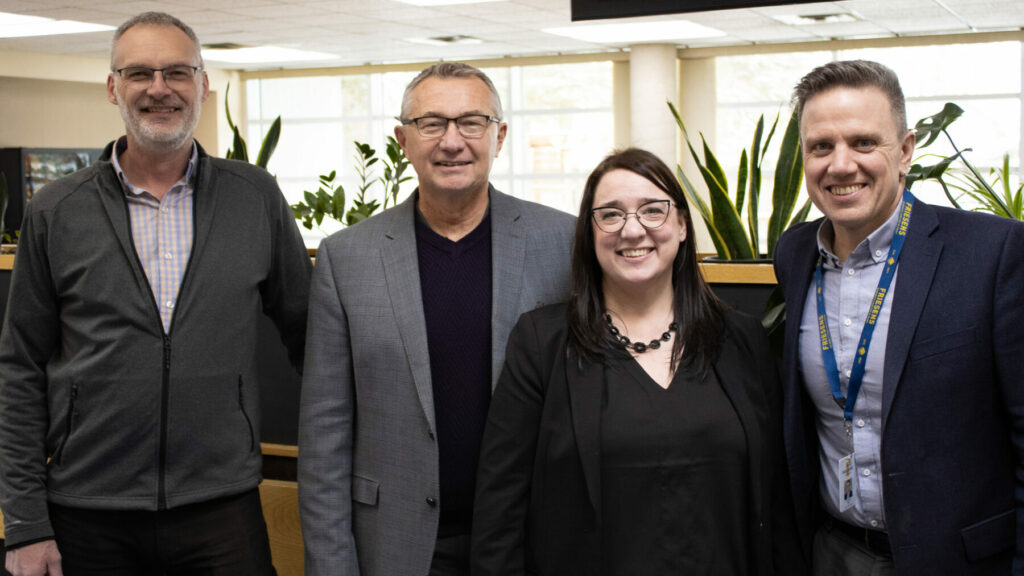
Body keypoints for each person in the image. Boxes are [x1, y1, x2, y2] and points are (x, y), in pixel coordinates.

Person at [0, 11, 312, 576]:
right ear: (113, 87)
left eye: (177, 72)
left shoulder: (255, 198)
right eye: (140, 73)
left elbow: (311, 339)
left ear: (203, 84)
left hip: (222, 509)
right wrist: (24, 522)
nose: (159, 88)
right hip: (86, 512)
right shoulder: (55, 210)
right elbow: (18, 369)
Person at [471, 147, 806, 575]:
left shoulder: (742, 340)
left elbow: (777, 502)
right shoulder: (542, 343)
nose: (632, 230)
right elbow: (501, 507)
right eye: (610, 215)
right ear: (589, 234)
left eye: (653, 210)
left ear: (682, 225)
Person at [298, 61, 574, 576]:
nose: (452, 141)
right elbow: (325, 434)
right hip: (395, 545)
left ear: (500, 135)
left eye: (471, 122)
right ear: (404, 139)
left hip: (529, 542)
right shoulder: (346, 257)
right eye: (432, 124)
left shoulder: (563, 243)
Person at [775, 59, 1024, 575]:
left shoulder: (992, 252)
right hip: (833, 553)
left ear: (906, 150)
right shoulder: (795, 255)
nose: (841, 165)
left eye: (864, 143)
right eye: (822, 146)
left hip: (959, 562)